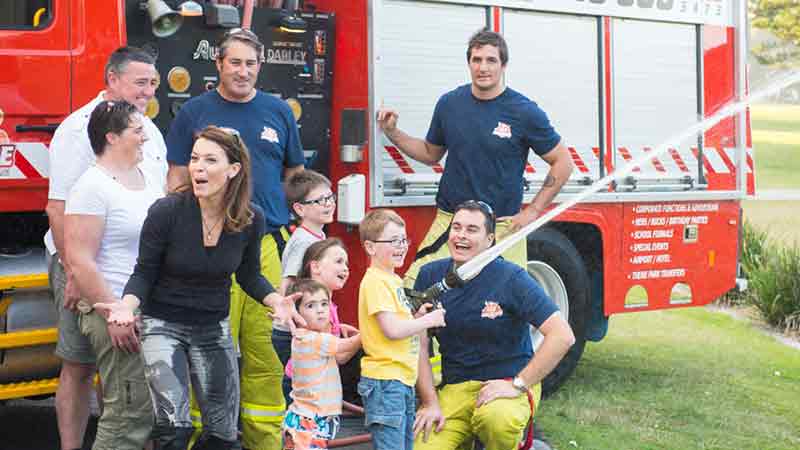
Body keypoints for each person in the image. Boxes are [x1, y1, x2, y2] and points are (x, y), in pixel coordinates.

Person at [100, 126, 302, 450]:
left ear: (233, 170)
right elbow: (144, 272)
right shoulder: (166, 211)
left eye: (210, 160)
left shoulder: (251, 218)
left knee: (222, 435)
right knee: (174, 429)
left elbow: (249, 275)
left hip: (212, 328)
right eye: (195, 159)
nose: (198, 168)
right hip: (163, 326)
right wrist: (127, 305)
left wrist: (276, 299)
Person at [165, 28, 305, 450]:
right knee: (205, 349)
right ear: (219, 64)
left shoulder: (278, 112)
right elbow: (175, 177)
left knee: (265, 351)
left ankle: (265, 443)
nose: (243, 71)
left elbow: (294, 176)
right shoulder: (194, 112)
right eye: (235, 62)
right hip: (207, 244)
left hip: (264, 245)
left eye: (251, 63)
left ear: (259, 67)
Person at [375, 29, 575, 287]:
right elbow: (430, 153)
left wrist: (533, 211)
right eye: (476, 60)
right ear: (468, 63)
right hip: (452, 222)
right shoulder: (449, 104)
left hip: (501, 227)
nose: (483, 67)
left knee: (508, 307)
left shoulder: (524, 111)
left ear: (504, 65)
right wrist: (392, 132)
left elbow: (563, 162)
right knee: (415, 288)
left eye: (491, 60)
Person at [44, 46, 166, 450]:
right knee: (79, 365)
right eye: (139, 82)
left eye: (153, 83)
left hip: (135, 273)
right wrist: (76, 274)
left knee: (126, 378)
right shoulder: (78, 129)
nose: (147, 91)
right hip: (86, 265)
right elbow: (59, 207)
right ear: (112, 79)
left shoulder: (149, 127)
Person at [412, 200, 575, 450]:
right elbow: (419, 345)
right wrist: (429, 402)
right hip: (456, 388)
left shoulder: (512, 278)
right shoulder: (430, 276)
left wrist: (518, 384)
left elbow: (562, 336)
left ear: (490, 240)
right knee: (421, 444)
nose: (461, 236)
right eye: (456, 228)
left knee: (496, 421)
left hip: (507, 384)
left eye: (472, 229)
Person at [357, 209, 446, 450]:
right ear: (370, 247)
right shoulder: (375, 281)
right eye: (393, 241)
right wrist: (428, 321)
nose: (401, 246)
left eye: (404, 239)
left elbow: (398, 322)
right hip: (386, 382)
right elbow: (392, 330)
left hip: (401, 380)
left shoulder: (392, 280)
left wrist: (415, 316)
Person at [281, 279, 361, 450]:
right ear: (296, 314)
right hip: (309, 420)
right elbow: (345, 346)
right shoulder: (312, 340)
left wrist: (339, 326)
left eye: (324, 304)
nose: (320, 310)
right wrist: (371, 330)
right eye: (310, 306)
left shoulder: (305, 337)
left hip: (308, 417)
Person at [280, 238, 360, 404]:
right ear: (315, 267)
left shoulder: (327, 305)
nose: (345, 268)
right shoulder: (318, 308)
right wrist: (367, 336)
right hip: (306, 386)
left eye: (346, 263)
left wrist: (338, 327)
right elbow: (338, 356)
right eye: (338, 261)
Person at [278, 170, 335, 295]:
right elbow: (288, 281)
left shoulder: (317, 235)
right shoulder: (303, 241)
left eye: (330, 197)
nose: (329, 204)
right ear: (300, 209)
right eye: (321, 200)